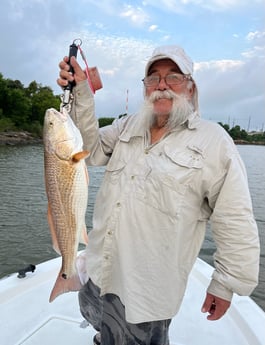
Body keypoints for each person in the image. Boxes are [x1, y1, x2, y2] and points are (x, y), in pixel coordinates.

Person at [57, 45, 260, 345]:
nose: (162, 85)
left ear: (190, 88)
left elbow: (235, 218)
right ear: (145, 88)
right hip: (100, 268)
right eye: (153, 78)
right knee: (102, 328)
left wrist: (225, 283)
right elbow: (88, 152)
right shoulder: (127, 126)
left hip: (146, 290)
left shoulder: (214, 141)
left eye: (173, 77)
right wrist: (81, 91)